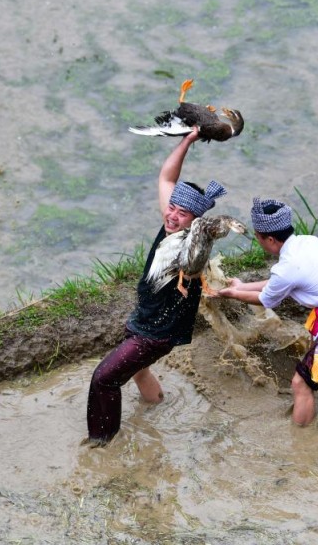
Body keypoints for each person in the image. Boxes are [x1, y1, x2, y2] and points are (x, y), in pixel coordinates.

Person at [86, 128, 228, 446]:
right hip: (145, 317)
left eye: (182, 213)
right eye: (172, 208)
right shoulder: (172, 219)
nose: (173, 215)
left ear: (195, 222)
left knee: (104, 378)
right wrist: (188, 140)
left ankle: (102, 441)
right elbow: (166, 178)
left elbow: (193, 264)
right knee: (139, 372)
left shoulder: (190, 246)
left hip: (157, 332)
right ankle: (157, 406)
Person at [215, 197, 318, 426]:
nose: (257, 240)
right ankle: (311, 397)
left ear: (270, 239)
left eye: (258, 236)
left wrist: (233, 293)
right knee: (311, 375)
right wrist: (242, 286)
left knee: (300, 383)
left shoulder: (288, 267)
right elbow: (281, 282)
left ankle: (303, 441)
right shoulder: (308, 242)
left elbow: (266, 299)